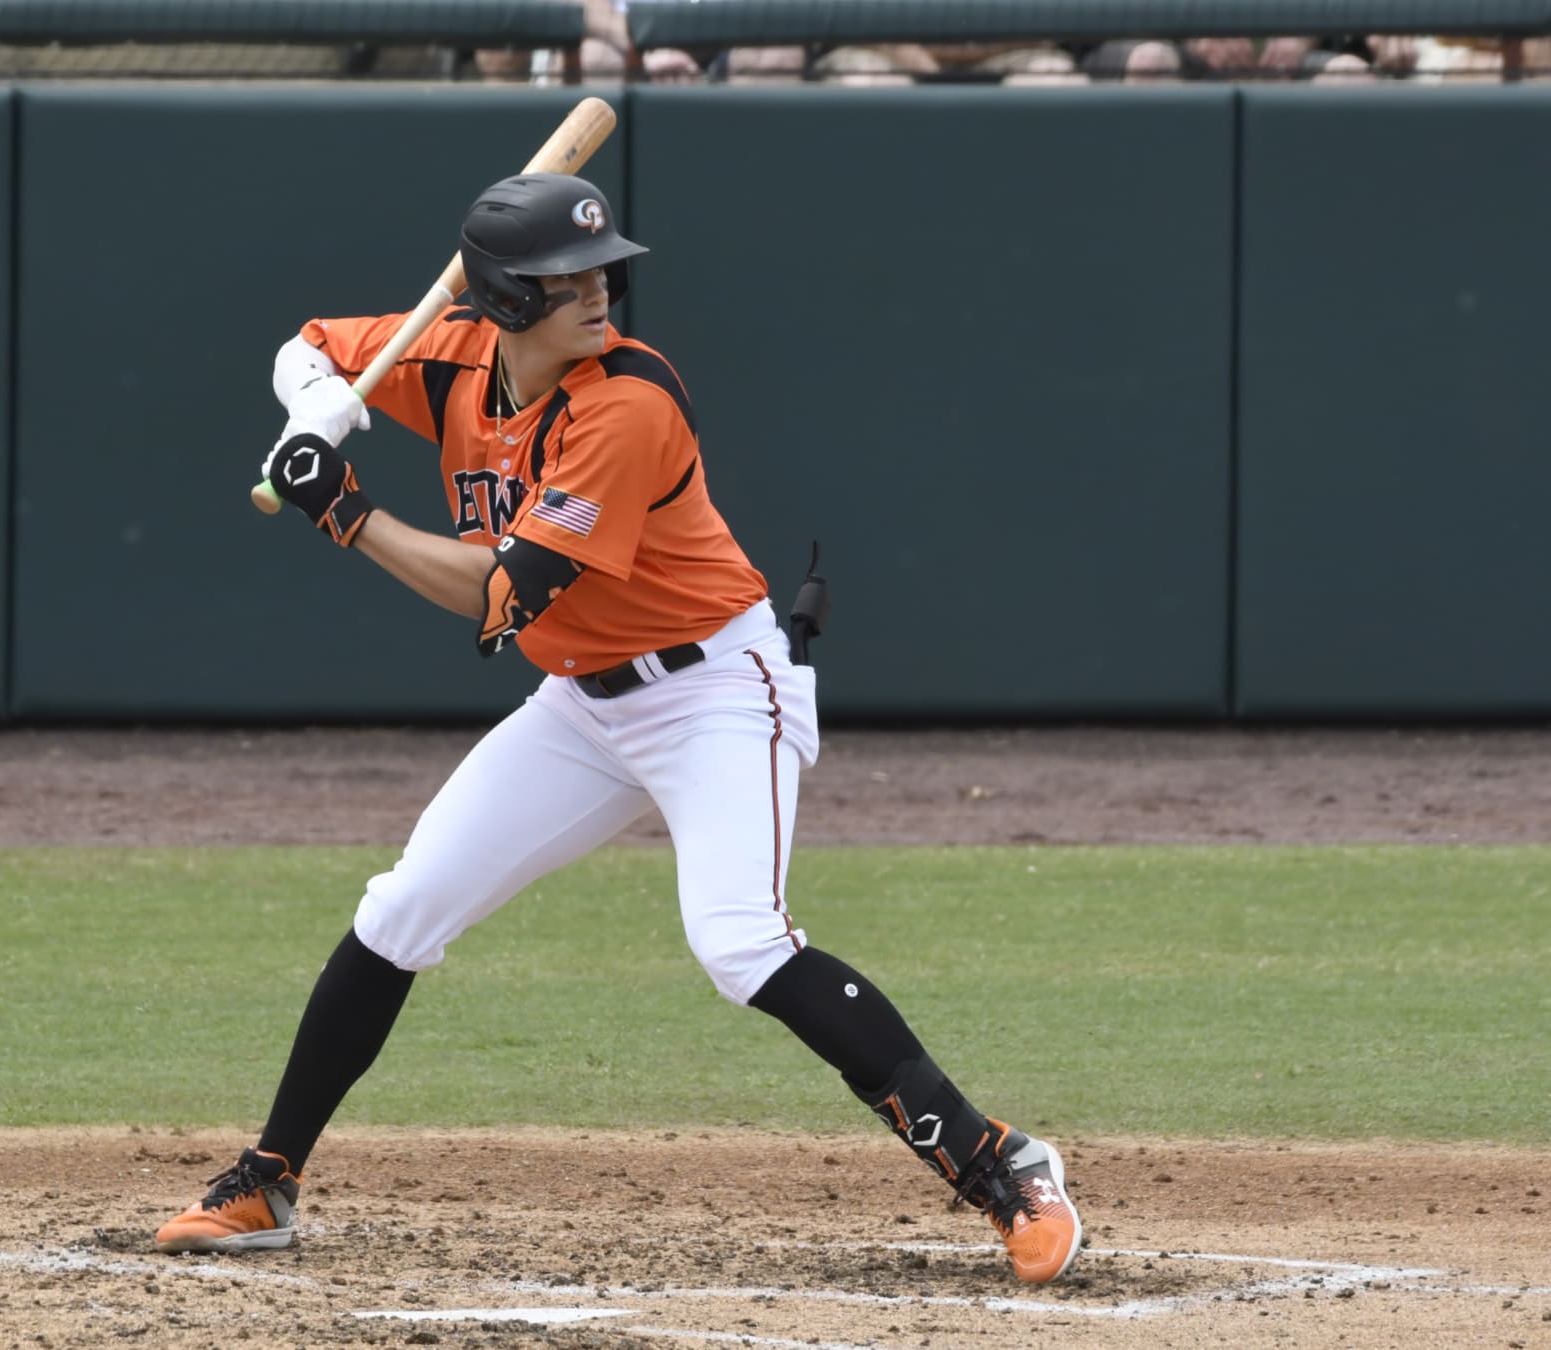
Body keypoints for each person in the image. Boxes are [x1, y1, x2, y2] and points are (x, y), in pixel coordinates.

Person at [152, 172, 1083, 1286]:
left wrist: (349, 513)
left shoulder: (626, 404)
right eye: (564, 280)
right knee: (402, 910)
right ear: (502, 300)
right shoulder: (444, 356)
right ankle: (267, 1179)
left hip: (716, 692)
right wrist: (321, 409)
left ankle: (1001, 1165)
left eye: (601, 271)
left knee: (738, 938)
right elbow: (303, 345)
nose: (598, 293)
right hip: (583, 704)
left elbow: (508, 594)